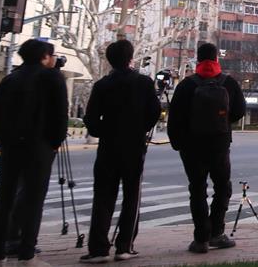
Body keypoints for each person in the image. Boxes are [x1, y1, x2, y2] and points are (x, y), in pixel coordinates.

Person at [0, 39, 68, 266]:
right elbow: (61, 115)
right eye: (52, 56)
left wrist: (1, 141)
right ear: (45, 56)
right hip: (39, 148)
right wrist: (54, 142)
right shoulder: (52, 78)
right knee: (33, 200)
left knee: (4, 200)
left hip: (11, 148)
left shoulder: (10, 79)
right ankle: (26, 254)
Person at [79, 40, 161, 263]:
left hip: (108, 146)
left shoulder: (102, 85)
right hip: (134, 145)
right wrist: (139, 128)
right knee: (132, 194)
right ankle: (125, 245)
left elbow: (91, 119)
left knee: (103, 196)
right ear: (130, 58)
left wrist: (104, 130)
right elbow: (155, 112)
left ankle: (98, 249)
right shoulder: (143, 83)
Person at [167, 43, 245, 254]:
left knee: (197, 188)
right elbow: (240, 110)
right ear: (216, 59)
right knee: (222, 187)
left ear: (198, 60)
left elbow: (174, 118)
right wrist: (224, 123)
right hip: (219, 144)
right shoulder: (228, 83)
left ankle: (201, 239)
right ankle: (217, 233)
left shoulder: (186, 85)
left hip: (192, 147)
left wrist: (178, 142)